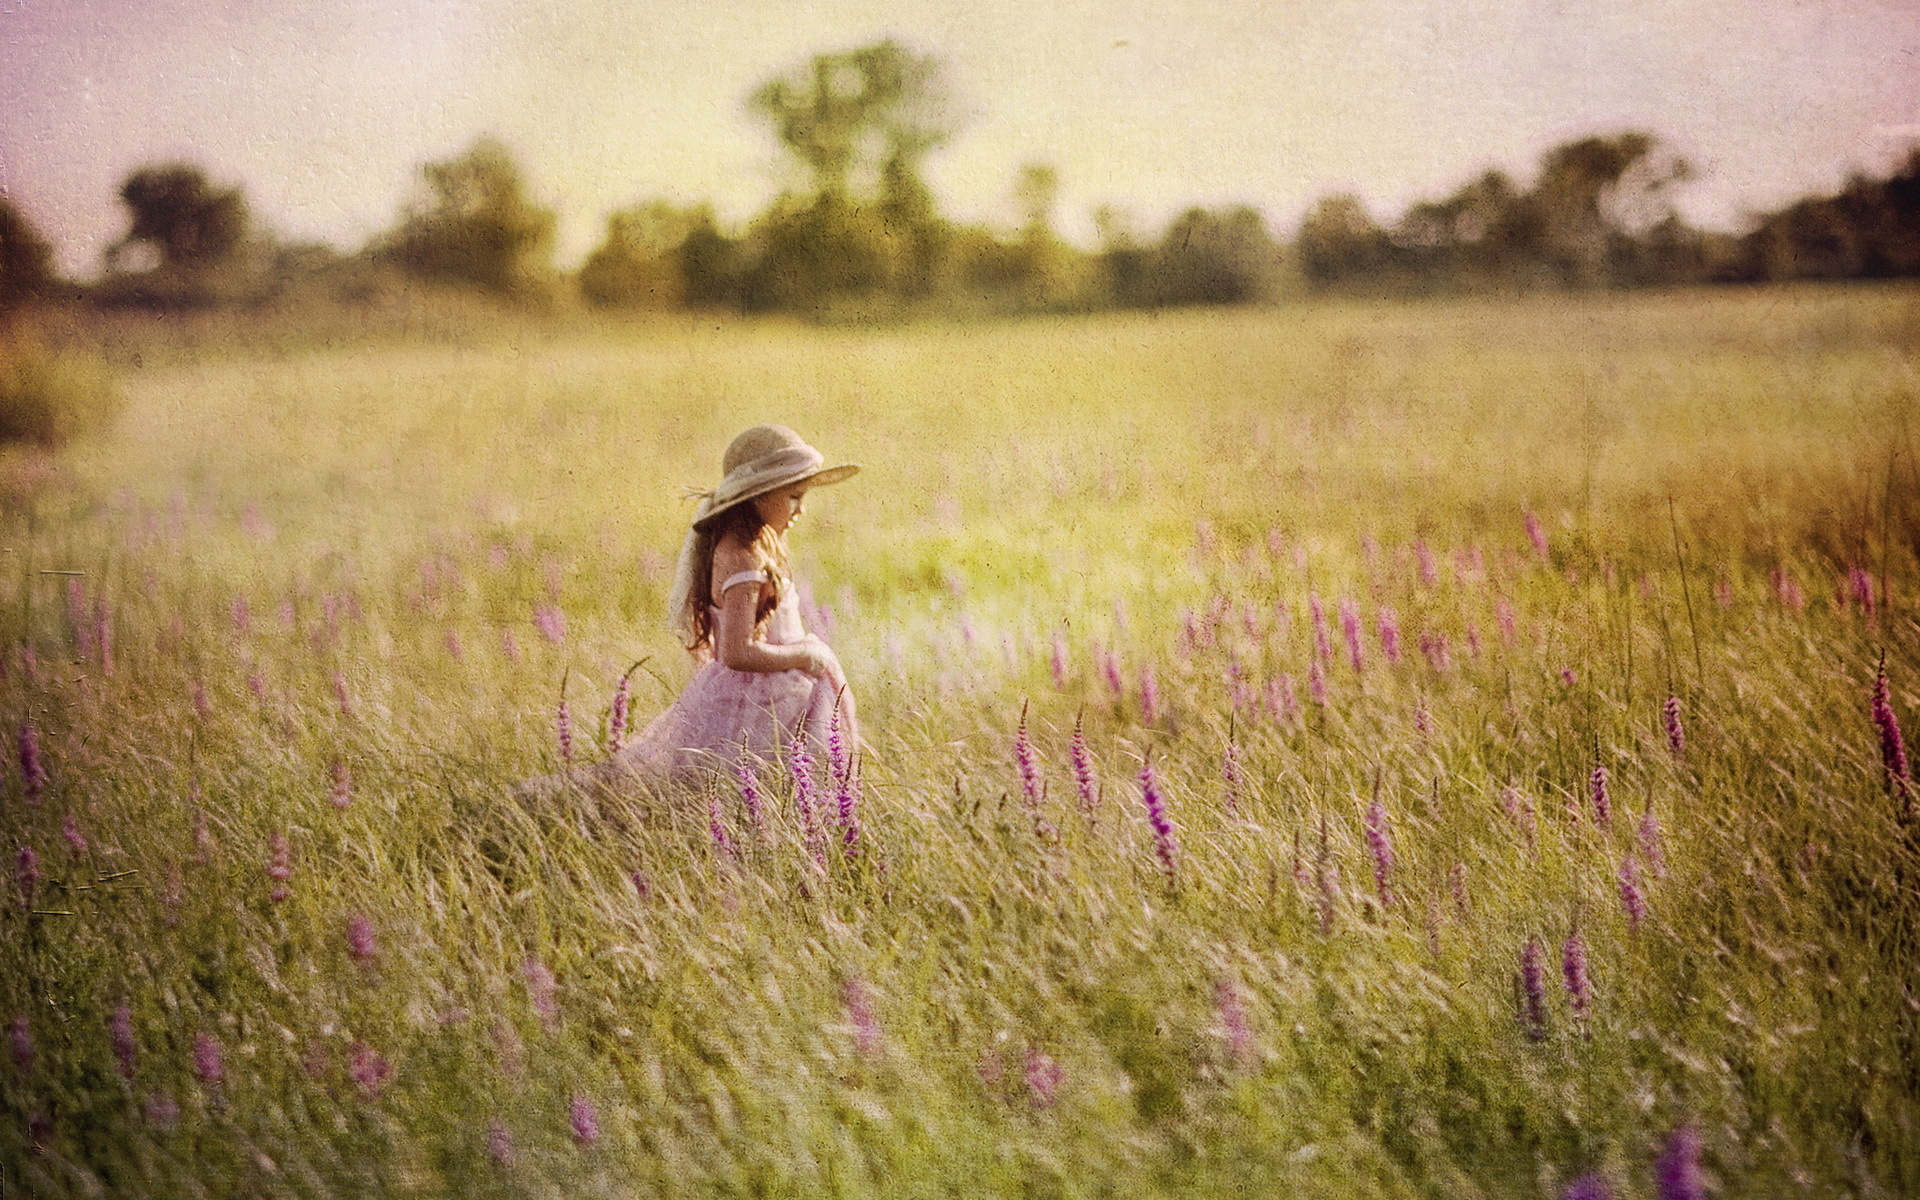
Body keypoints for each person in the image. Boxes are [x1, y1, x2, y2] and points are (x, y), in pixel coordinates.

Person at [517, 424, 859, 806]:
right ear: (759, 495)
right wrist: (809, 656)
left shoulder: (753, 546)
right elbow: (737, 652)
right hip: (757, 697)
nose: (802, 509)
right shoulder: (743, 557)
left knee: (765, 791)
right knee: (726, 791)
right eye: (794, 496)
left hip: (771, 694)